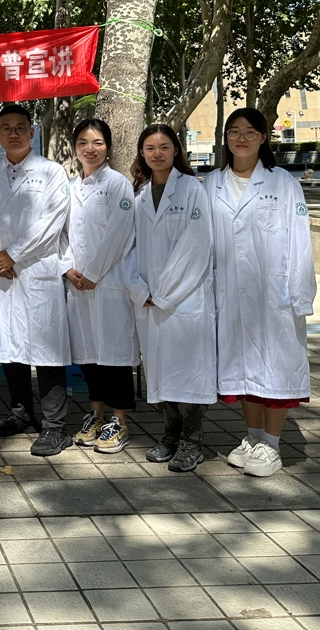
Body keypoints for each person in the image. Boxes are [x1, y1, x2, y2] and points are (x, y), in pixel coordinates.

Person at [205, 108, 315, 477]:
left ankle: (272, 444)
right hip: (228, 293)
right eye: (234, 131)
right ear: (225, 138)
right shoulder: (211, 184)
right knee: (242, 372)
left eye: (250, 131)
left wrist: (300, 294)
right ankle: (252, 437)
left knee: (275, 369)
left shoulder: (283, 183)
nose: (241, 138)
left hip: (273, 296)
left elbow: (300, 241)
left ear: (264, 137)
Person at [0, 105, 72, 456]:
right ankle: (21, 413)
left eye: (20, 127)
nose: (13, 133)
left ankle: (55, 426)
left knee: (46, 349)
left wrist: (13, 254)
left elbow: (52, 222)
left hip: (36, 271)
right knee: (10, 345)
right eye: (6, 128)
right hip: (2, 274)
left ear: (32, 133)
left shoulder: (52, 172)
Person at [127, 124, 217, 473]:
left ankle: (192, 442)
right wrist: (139, 288)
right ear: (142, 153)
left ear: (176, 150)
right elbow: (129, 247)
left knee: (189, 370)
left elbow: (196, 245)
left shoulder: (192, 189)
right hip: (149, 298)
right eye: (150, 148)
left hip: (184, 297)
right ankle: (171, 434)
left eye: (164, 147)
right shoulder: (139, 193)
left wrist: (164, 292)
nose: (157, 153)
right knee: (159, 369)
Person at [62, 119, 139, 454]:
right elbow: (61, 234)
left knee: (114, 353)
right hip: (78, 284)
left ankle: (119, 421)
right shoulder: (69, 187)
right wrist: (68, 269)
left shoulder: (118, 184)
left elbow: (119, 234)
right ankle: (96, 414)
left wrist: (92, 273)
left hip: (109, 283)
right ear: (74, 147)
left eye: (97, 142)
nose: (89, 149)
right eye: (82, 142)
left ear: (108, 147)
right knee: (88, 352)